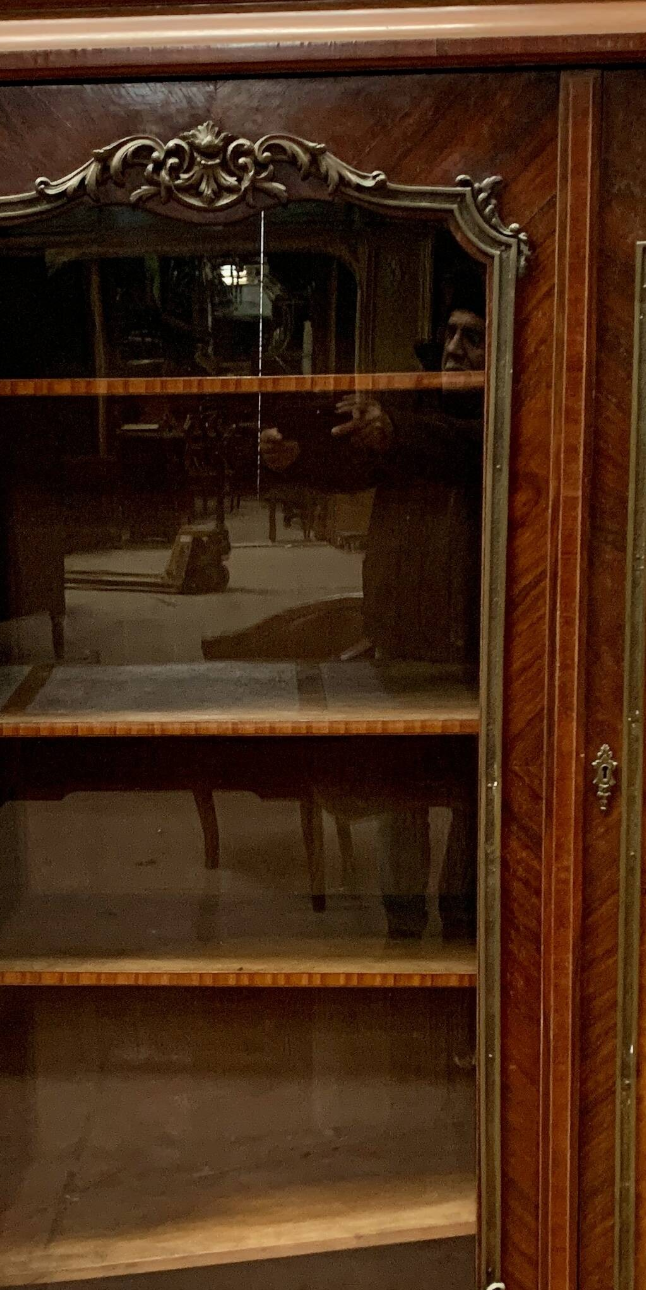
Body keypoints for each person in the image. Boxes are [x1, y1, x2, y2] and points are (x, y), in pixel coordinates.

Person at [259, 296, 485, 940]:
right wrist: (297, 456)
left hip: (480, 626)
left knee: (473, 786)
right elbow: (357, 462)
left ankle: (464, 919)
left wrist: (396, 434)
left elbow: (467, 448)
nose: (454, 351)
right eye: (451, 333)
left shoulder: (507, 405)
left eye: (473, 337)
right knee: (402, 784)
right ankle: (403, 921)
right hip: (405, 621)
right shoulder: (415, 401)